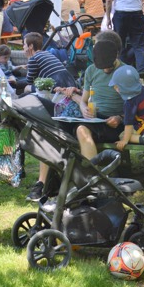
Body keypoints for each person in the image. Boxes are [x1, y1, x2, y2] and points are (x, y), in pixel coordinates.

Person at [27, 34, 125, 202]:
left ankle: (91, 184)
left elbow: (134, 106)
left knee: (81, 130)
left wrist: (120, 117)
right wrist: (82, 104)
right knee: (51, 129)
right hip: (91, 118)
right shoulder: (92, 70)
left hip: (112, 123)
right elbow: (85, 100)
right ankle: (42, 183)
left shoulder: (126, 72)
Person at [109, 65, 144, 150]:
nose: (115, 88)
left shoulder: (130, 103)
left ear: (122, 88)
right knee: (130, 131)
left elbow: (129, 125)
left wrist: (124, 140)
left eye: (116, 86)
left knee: (122, 135)